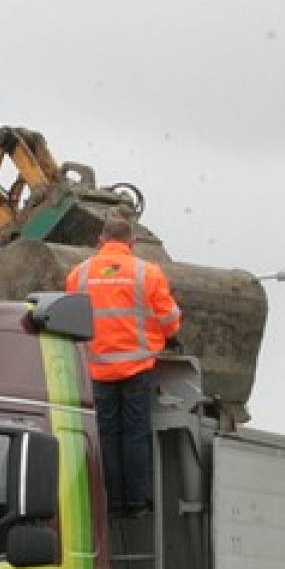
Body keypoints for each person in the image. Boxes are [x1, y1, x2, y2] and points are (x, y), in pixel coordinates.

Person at [65, 217, 181, 515]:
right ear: (131, 244)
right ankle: (137, 501)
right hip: (136, 367)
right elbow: (169, 319)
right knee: (134, 433)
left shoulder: (78, 275)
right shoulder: (147, 273)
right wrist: (169, 337)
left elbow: (72, 317)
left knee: (105, 434)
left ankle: (111, 500)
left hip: (97, 367)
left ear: (101, 240)